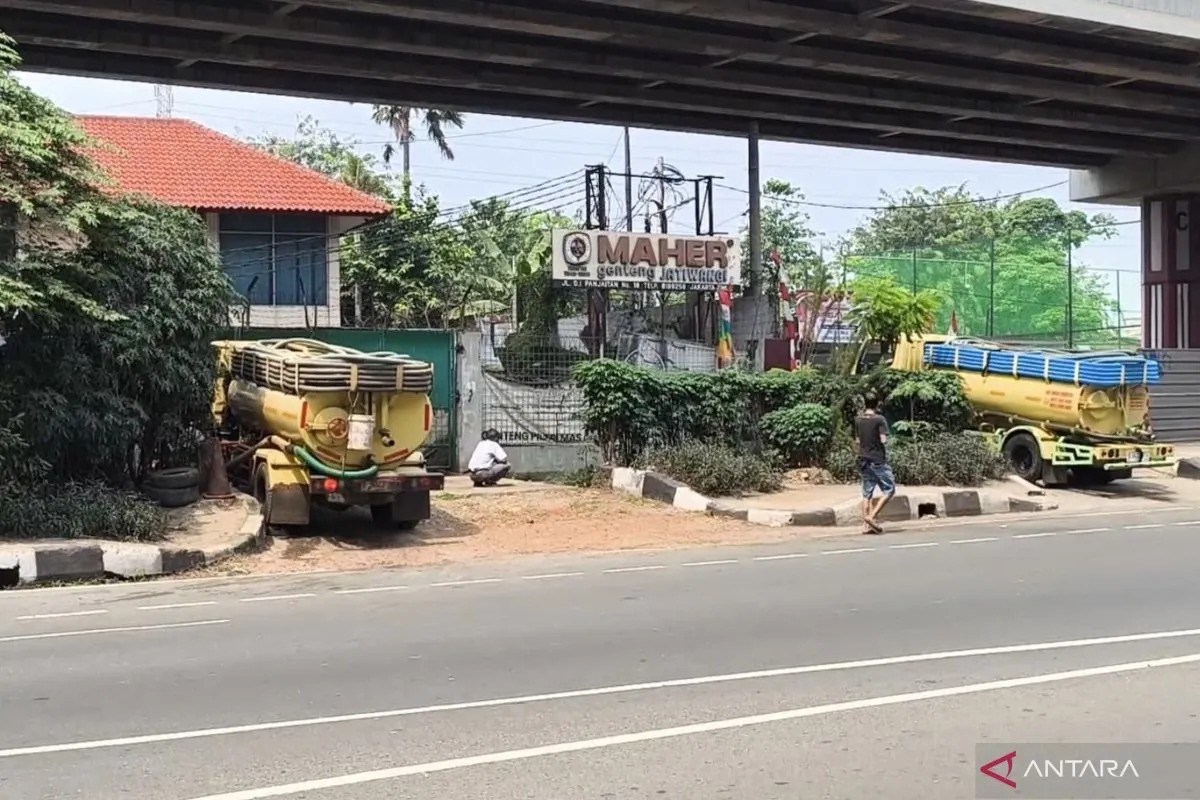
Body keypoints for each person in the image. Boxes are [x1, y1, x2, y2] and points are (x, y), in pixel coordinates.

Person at [854, 392, 895, 534]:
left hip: (863, 459)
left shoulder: (858, 420)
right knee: (889, 489)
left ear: (865, 403)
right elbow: (883, 439)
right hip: (878, 459)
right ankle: (872, 517)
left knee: (867, 493)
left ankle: (866, 526)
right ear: (877, 404)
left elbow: (857, 440)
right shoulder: (879, 419)